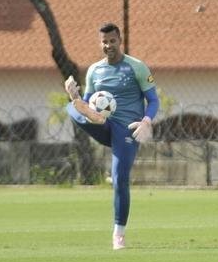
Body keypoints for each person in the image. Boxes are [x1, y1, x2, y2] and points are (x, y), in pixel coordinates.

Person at [64, 22, 159, 250]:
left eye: (112, 41)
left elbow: (153, 100)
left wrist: (146, 121)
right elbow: (87, 103)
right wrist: (76, 96)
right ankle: (88, 112)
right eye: (104, 42)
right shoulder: (95, 70)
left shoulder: (137, 67)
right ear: (101, 43)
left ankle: (119, 234)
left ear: (120, 40)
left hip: (127, 130)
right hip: (103, 124)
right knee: (73, 108)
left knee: (119, 179)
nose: (108, 45)